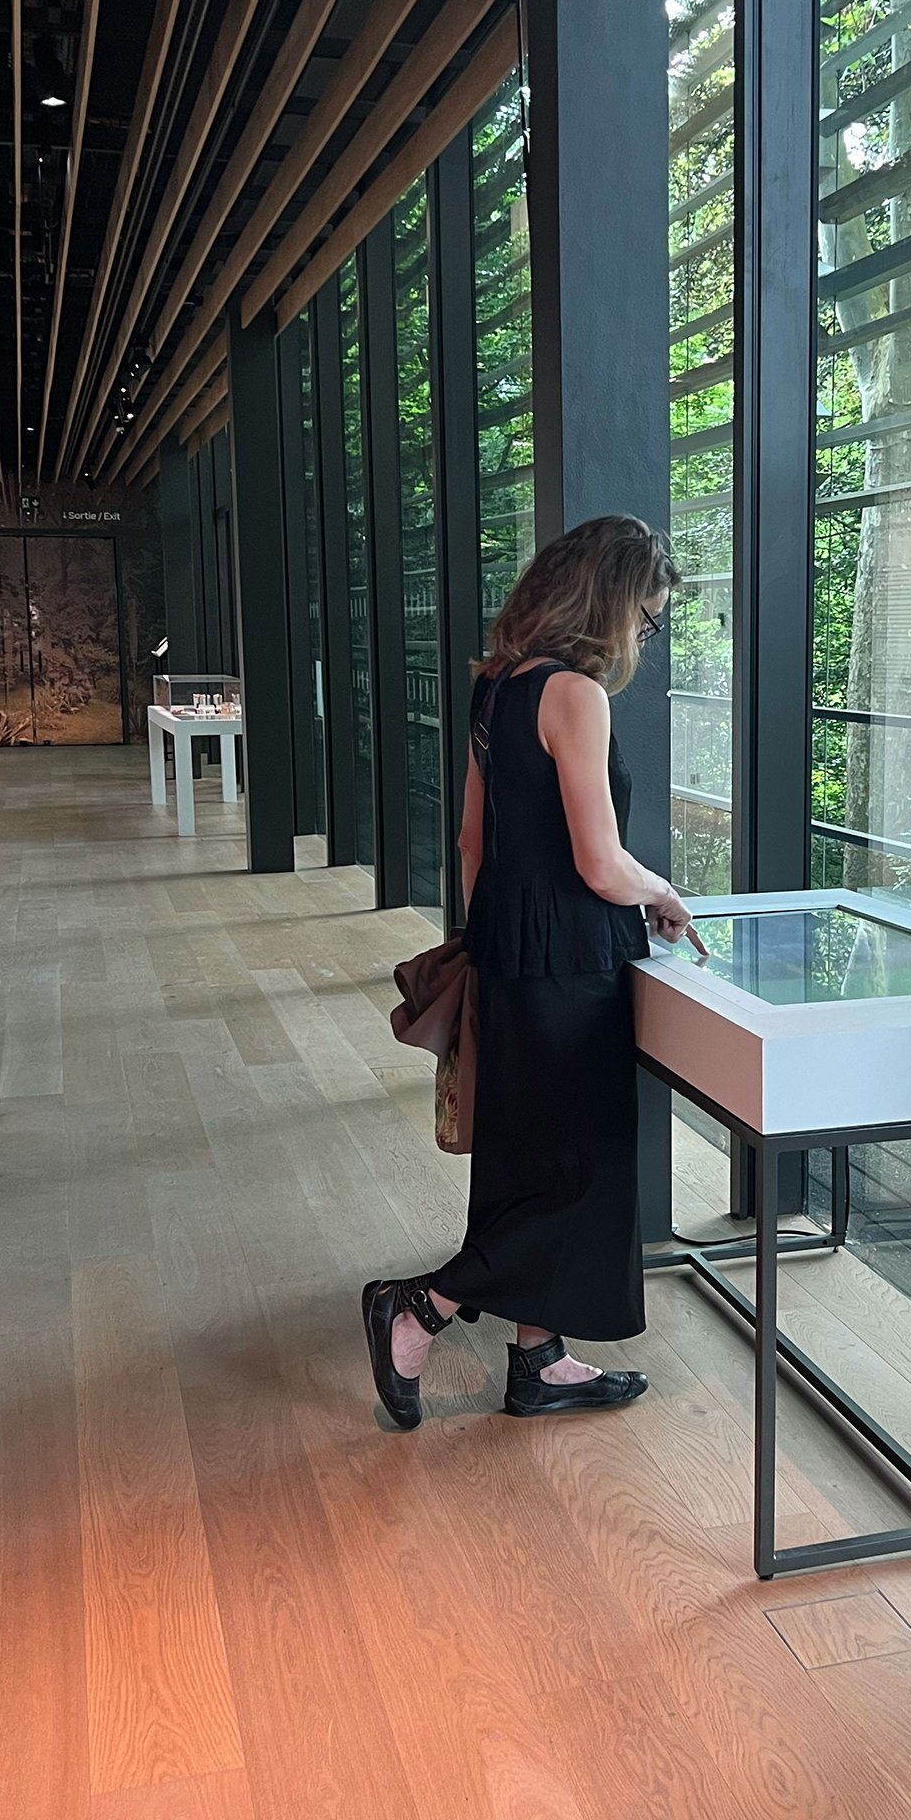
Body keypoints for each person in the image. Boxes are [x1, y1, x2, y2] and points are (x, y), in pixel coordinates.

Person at [362, 515, 702, 1427]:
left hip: (509, 949)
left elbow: (474, 842)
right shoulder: (575, 696)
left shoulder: (495, 688)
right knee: (584, 1168)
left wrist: (497, 938)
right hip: (572, 964)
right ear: (610, 600)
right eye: (647, 615)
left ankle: (538, 1358)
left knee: (528, 1162)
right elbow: (600, 861)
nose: (644, 634)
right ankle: (420, 1307)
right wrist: (663, 891)